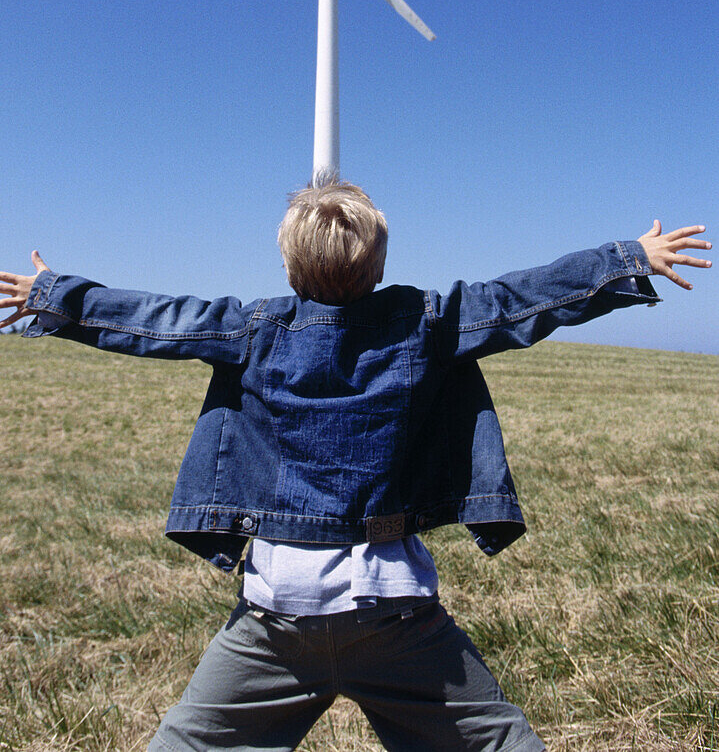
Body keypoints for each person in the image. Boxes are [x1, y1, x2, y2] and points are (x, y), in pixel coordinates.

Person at [0, 181, 711, 752]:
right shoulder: (426, 322)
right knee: (497, 741)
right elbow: (522, 299)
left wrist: (54, 295)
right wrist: (626, 258)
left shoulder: (249, 330)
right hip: (395, 614)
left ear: (286, 265)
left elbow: (156, 321)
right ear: (379, 266)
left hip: (276, 616)